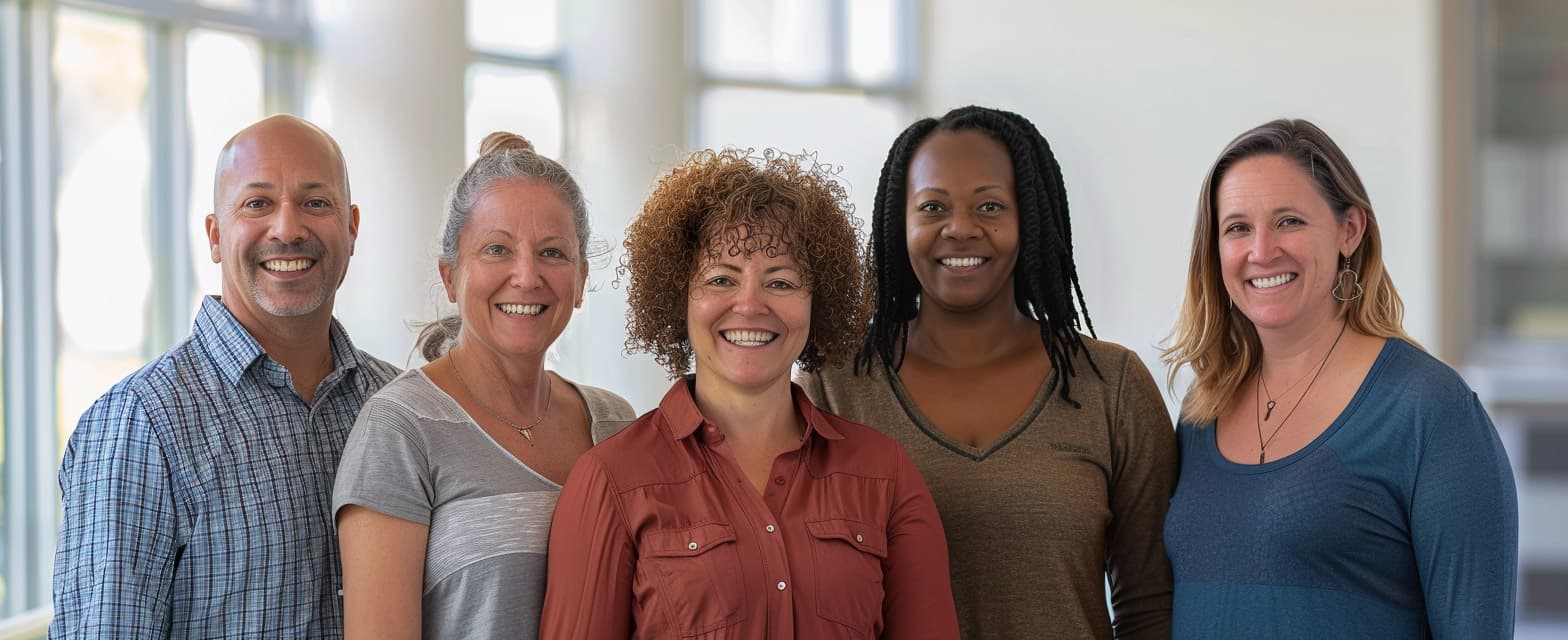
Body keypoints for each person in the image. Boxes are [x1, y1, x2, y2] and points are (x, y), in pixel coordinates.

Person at [540, 148, 960, 639]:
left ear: (816, 301)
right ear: (679, 296)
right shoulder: (612, 480)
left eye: (780, 281)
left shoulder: (884, 474)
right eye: (721, 278)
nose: (750, 304)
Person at [797, 105, 1176, 639]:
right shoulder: (832, 387)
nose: (961, 229)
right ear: (897, 222)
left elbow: (1149, 607)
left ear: (1030, 219)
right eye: (932, 207)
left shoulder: (1112, 386)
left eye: (990, 206)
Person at [1160, 118, 1518, 638]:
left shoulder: (1429, 409)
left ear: (1349, 230)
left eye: (1288, 222)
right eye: (1237, 227)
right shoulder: (1201, 410)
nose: (1261, 252)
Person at [51, 115, 400, 638]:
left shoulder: (395, 404)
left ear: (351, 228)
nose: (287, 229)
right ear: (216, 236)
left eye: (315, 202)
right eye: (257, 204)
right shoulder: (141, 424)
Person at [332, 132, 634, 639]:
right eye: (497, 249)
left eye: (552, 253)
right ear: (451, 276)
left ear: (581, 279)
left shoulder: (618, 424)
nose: (526, 275)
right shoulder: (402, 429)